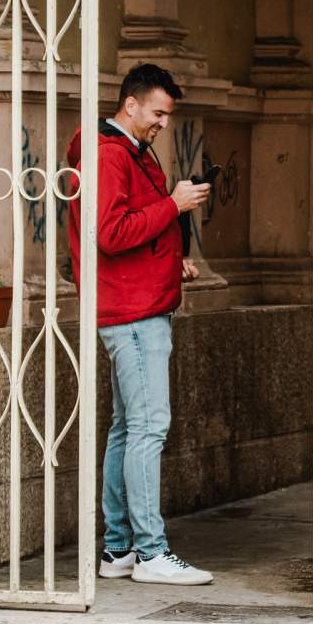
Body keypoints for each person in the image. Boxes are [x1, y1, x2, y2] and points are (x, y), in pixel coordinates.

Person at [66, 64, 213, 585]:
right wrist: (173, 205)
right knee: (148, 429)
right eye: (158, 113)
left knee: (127, 429)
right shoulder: (110, 154)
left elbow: (128, 233)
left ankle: (118, 550)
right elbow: (108, 232)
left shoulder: (121, 151)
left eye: (167, 115)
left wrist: (171, 262)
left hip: (131, 303)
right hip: (132, 314)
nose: (163, 124)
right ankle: (150, 553)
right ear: (130, 104)